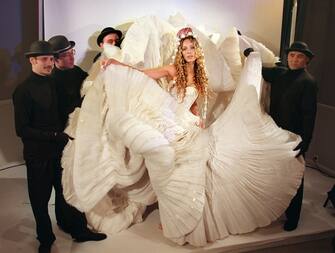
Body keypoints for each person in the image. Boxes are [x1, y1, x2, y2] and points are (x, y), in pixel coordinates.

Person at [61, 19, 305, 247]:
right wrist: (115, 64)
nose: (188, 51)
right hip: (168, 122)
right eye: (185, 48)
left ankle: (185, 224)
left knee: (185, 176)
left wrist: (199, 120)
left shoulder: (201, 76)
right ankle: (174, 219)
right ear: (180, 50)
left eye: (192, 48)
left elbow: (200, 105)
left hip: (187, 127)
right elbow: (140, 75)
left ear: (197, 51)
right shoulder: (171, 70)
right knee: (165, 175)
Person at [12, 40, 106, 253]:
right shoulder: (23, 91)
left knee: (69, 194)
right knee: (40, 201)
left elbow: (71, 105)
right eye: (43, 59)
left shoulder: (54, 83)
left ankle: (79, 231)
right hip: (38, 156)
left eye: (50, 59)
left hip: (59, 152)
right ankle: (45, 240)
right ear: (32, 60)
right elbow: (22, 130)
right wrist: (55, 135)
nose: (48, 63)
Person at [261, 41, 318, 231]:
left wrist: (306, 141)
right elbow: (258, 68)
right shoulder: (280, 73)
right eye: (292, 55)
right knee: (276, 173)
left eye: (299, 56)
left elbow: (310, 114)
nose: (294, 59)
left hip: (295, 136)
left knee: (295, 176)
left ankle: (293, 217)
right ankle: (278, 208)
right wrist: (250, 52)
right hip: (276, 133)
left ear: (306, 61)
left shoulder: (308, 82)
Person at [48, 35, 88, 129]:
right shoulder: (51, 81)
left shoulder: (76, 70)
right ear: (55, 59)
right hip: (65, 129)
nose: (72, 57)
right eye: (66, 55)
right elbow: (63, 111)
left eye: (72, 52)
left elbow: (89, 80)